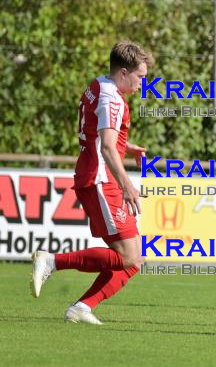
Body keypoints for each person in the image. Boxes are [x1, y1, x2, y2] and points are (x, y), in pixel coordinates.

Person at [31, 40, 152, 325]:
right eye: (140, 77)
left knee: (133, 260)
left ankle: (82, 307)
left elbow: (98, 134)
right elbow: (107, 147)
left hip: (96, 175)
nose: (142, 84)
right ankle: (51, 261)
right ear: (124, 72)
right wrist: (126, 185)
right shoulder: (112, 98)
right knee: (131, 257)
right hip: (101, 180)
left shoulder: (98, 84)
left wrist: (128, 147)